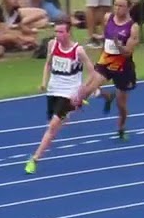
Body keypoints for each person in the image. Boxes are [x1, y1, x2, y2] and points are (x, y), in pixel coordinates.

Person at [25, 21, 108, 174]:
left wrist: (86, 88)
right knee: (54, 123)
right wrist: (43, 83)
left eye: (61, 32)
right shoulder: (52, 44)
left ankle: (34, 159)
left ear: (68, 33)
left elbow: (92, 72)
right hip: (53, 90)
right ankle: (70, 110)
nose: (58, 35)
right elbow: (48, 65)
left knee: (52, 127)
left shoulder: (78, 51)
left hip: (69, 92)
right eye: (56, 31)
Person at [70, 0, 139, 141]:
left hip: (123, 67)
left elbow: (127, 52)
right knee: (89, 86)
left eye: (121, 6)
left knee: (121, 106)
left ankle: (121, 128)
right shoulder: (108, 17)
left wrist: (118, 43)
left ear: (128, 8)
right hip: (106, 62)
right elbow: (106, 35)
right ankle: (73, 107)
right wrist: (101, 38)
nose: (117, 8)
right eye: (115, 5)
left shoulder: (133, 27)